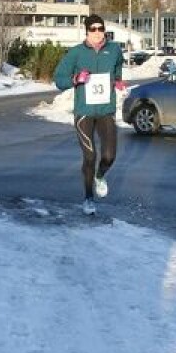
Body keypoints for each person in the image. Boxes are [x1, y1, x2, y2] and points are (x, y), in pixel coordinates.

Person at [54, 14, 126, 215]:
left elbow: (118, 66)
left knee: (109, 156)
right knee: (90, 156)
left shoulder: (114, 50)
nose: (97, 32)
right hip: (84, 113)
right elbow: (59, 78)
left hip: (106, 111)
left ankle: (100, 176)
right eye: (93, 29)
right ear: (86, 31)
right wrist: (75, 78)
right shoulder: (76, 53)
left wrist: (117, 80)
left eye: (100, 28)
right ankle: (88, 198)